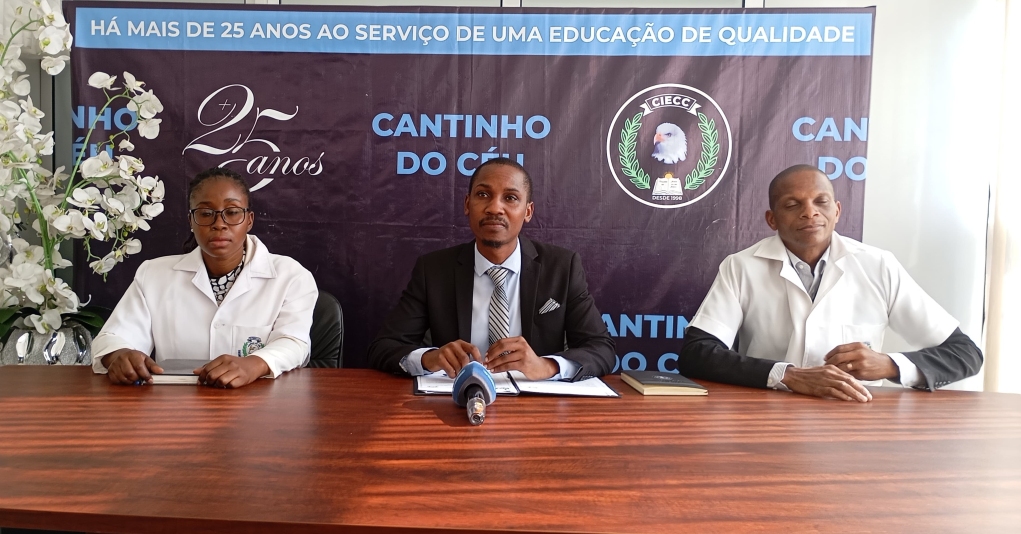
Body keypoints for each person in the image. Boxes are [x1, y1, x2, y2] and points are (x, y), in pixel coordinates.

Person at [679, 164, 982, 401]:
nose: (809, 212)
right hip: (769, 413)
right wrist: (788, 376)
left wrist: (889, 365)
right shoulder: (741, 266)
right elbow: (697, 354)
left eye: (821, 201)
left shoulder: (878, 265)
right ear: (772, 219)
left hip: (854, 419)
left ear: (836, 211)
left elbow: (965, 353)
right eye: (792, 204)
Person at [369, 158, 615, 381]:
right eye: (483, 194)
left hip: (535, 404)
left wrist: (546, 366)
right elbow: (384, 347)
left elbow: (601, 349)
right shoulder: (433, 270)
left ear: (528, 211)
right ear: (468, 204)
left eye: (510, 198)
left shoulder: (562, 267)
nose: (495, 208)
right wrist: (430, 358)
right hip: (456, 399)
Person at [91, 168, 318, 388]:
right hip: (175, 401)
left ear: (249, 220)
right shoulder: (153, 274)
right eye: (206, 213)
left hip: (258, 402)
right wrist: (119, 355)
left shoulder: (291, 276)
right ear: (191, 221)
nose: (219, 224)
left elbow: (295, 342)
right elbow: (112, 337)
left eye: (232, 212)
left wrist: (255, 364)